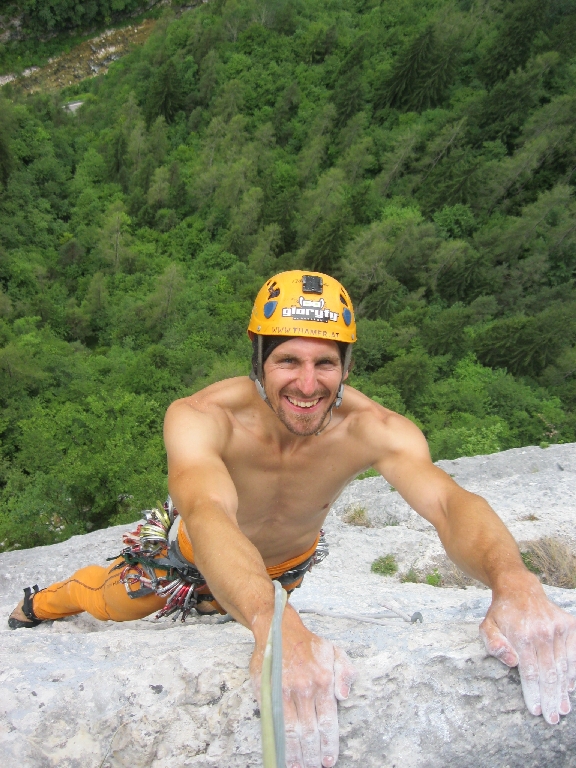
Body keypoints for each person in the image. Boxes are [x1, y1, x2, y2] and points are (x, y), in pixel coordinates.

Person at [8, 270, 576, 768]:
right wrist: (272, 622)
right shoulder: (203, 417)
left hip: (284, 572)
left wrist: (513, 580)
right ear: (258, 358)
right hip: (186, 564)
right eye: (288, 361)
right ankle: (40, 603)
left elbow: (450, 503)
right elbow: (207, 511)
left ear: (347, 365)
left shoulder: (375, 429)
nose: (307, 385)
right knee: (109, 600)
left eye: (325, 363)